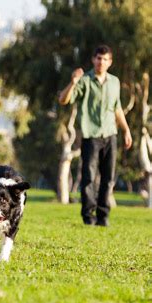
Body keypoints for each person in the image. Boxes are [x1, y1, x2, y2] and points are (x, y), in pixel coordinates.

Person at [59, 45, 132, 226]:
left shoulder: (114, 82)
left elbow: (117, 109)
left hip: (110, 135)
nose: (101, 62)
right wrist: (74, 82)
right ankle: (89, 216)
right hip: (91, 136)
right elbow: (63, 100)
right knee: (89, 178)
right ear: (93, 60)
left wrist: (126, 130)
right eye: (98, 58)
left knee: (108, 178)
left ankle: (103, 216)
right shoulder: (84, 81)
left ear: (110, 62)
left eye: (105, 59)